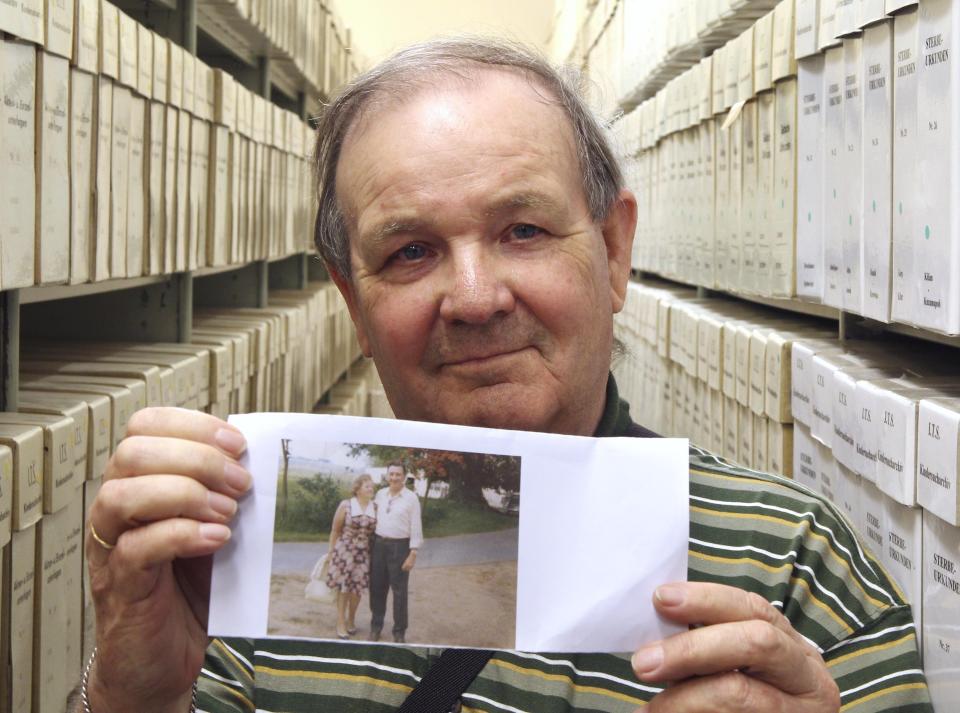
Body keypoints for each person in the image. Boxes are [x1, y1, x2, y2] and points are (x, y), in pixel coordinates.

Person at [78, 37, 933, 713]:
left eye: (522, 230)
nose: (476, 298)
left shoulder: (798, 566)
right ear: (353, 303)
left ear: (613, 249)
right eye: (411, 252)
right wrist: (132, 699)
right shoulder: (242, 560)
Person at [369, 462, 423, 644]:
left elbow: (416, 526)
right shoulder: (380, 494)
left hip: (400, 548)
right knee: (377, 589)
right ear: (387, 475)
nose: (394, 478)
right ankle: (376, 627)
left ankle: (399, 632)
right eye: (391, 474)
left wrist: (413, 553)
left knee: (399, 592)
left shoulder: (411, 498)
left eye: (397, 474)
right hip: (378, 545)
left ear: (404, 476)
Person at [325, 473, 377, 639]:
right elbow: (335, 530)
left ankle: (351, 619)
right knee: (344, 589)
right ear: (358, 489)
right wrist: (331, 553)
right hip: (345, 552)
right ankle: (340, 622)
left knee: (357, 590)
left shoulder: (375, 507)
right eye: (367, 486)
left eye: (372, 486)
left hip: (363, 554)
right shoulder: (346, 505)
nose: (371, 488)